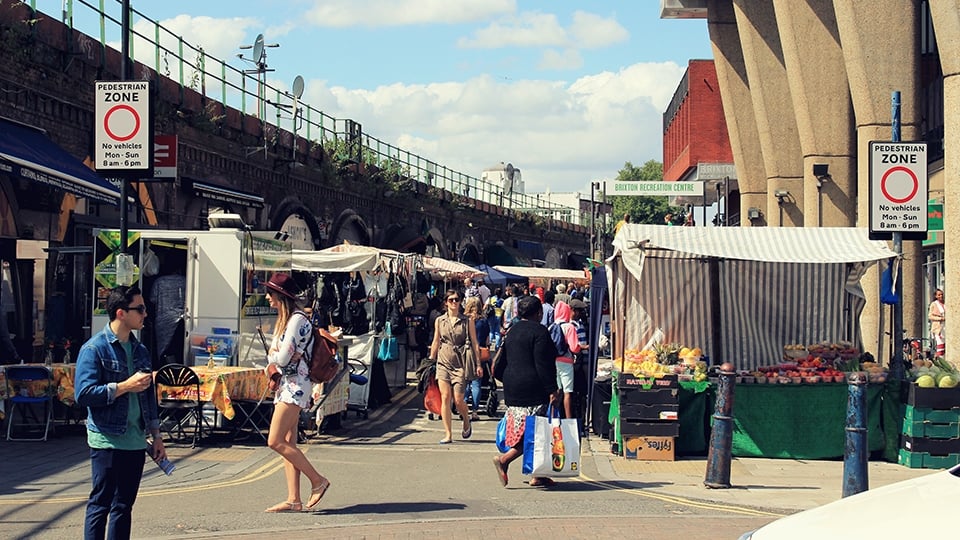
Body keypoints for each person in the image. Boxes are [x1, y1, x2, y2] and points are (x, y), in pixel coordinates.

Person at [75, 285, 165, 539]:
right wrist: (124, 386)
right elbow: (83, 394)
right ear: (121, 313)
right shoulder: (94, 349)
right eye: (140, 309)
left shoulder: (140, 350)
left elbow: (149, 397)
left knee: (124, 506)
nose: (145, 314)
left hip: (135, 441)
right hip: (107, 439)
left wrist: (157, 436)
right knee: (100, 504)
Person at [262, 273, 331, 513]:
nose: (267, 297)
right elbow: (280, 355)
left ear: (281, 296)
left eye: (270, 293)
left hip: (295, 387)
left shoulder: (296, 320)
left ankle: (318, 480)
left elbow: (280, 357)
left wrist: (274, 356)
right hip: (288, 385)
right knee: (288, 441)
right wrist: (277, 356)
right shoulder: (288, 320)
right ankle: (294, 499)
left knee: (275, 440)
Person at [491, 295, 561, 488]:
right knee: (537, 432)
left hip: (512, 387)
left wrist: (508, 381)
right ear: (539, 313)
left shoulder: (511, 331)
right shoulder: (540, 332)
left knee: (526, 430)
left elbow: (500, 363)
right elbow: (543, 365)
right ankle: (506, 460)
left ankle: (538, 474)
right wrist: (552, 389)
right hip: (533, 388)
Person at [429, 289, 481, 443]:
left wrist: (478, 364)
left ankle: (466, 419)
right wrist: (431, 359)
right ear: (446, 302)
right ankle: (448, 434)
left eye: (456, 299)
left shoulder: (467, 321)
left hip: (460, 363)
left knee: (458, 400)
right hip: (443, 361)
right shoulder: (440, 320)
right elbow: (436, 341)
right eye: (450, 300)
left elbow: (475, 343)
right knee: (445, 397)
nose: (454, 302)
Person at [551, 300, 582, 420]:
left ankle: (554, 418)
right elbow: (574, 348)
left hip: (554, 361)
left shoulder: (551, 327)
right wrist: (582, 347)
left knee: (557, 391)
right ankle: (568, 420)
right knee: (567, 392)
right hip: (566, 362)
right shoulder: (570, 327)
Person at [463, 296, 490, 421]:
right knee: (476, 383)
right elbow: (487, 340)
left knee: (465, 381)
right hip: (480, 353)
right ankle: (474, 411)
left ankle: (463, 407)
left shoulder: (464, 320)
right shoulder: (483, 321)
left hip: (466, 352)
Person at [929, 288, 946, 357]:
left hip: (946, 326)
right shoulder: (934, 304)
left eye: (941, 294)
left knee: (945, 345)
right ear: (936, 296)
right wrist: (940, 318)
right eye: (939, 295)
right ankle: (940, 359)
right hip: (938, 327)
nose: (941, 296)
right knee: (940, 344)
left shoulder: (945, 303)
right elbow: (930, 316)